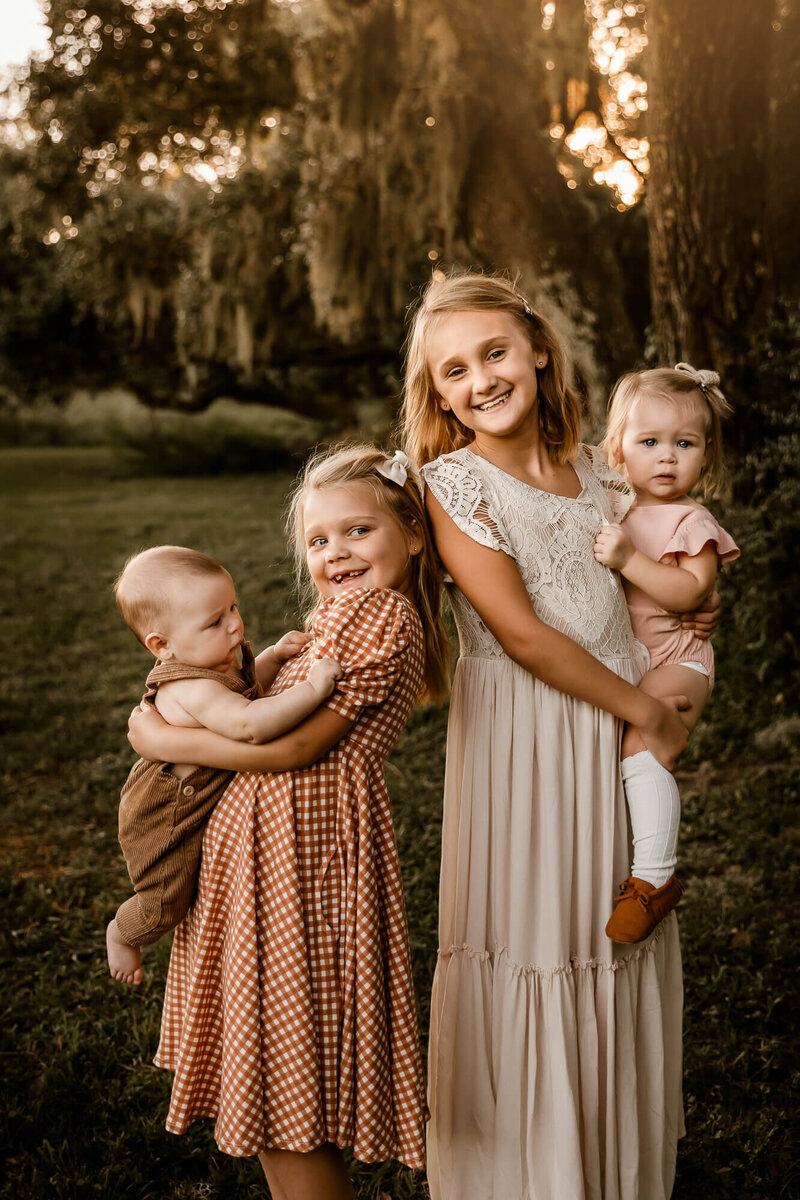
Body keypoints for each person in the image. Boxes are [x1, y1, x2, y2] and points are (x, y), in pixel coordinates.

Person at [400, 271, 716, 1200]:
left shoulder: (608, 476)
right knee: (538, 934)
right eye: (452, 371)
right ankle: (529, 1176)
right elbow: (525, 635)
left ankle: (613, 1166)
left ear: (539, 347)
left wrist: (675, 673)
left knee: (609, 930)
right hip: (527, 738)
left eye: (494, 352)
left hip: (615, 734)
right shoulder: (452, 484)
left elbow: (674, 591)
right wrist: (645, 710)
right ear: (439, 394)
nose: (479, 380)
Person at [126, 445, 451, 1200]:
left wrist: (159, 739)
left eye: (357, 532)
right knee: (276, 1069)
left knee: (284, 1074)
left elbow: (291, 747)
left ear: (410, 532)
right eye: (319, 540)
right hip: (270, 864)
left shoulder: (379, 617)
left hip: (301, 866)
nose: (336, 552)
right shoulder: (342, 613)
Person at [107, 544, 342, 986]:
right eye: (215, 621)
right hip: (166, 817)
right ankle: (122, 931)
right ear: (163, 646)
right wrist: (313, 688)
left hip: (193, 793)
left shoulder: (212, 657)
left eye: (232, 607)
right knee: (168, 899)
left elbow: (246, 692)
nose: (234, 622)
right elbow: (251, 724)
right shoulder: (192, 688)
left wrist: (273, 656)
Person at [593, 365, 739, 942]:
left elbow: (690, 591)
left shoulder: (690, 519)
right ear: (617, 448)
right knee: (616, 748)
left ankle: (654, 878)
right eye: (649, 442)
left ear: (706, 455)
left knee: (638, 744)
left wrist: (629, 560)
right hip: (636, 660)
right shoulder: (612, 507)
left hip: (681, 659)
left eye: (685, 444)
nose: (667, 457)